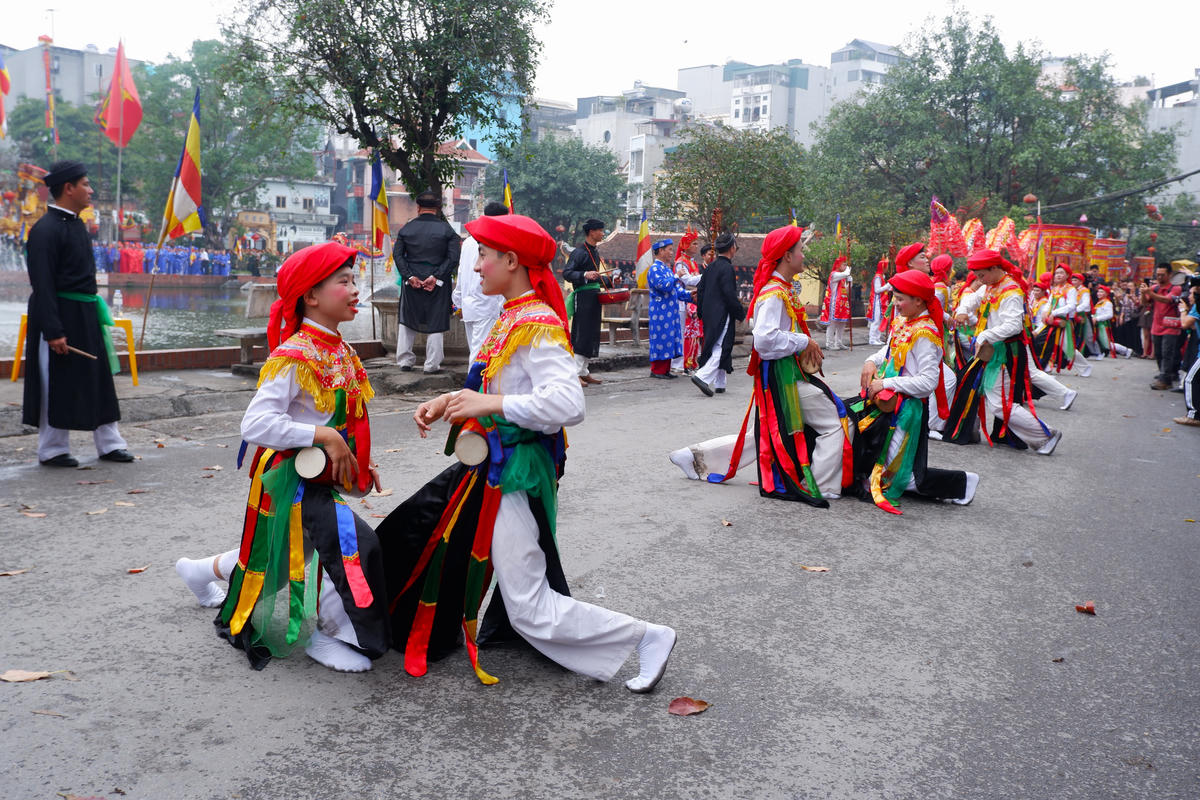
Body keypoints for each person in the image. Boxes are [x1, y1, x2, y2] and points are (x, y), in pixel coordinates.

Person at [376, 213, 677, 693]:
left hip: (513, 469)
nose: (475, 268)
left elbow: (567, 404)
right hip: (496, 464)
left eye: (484, 256)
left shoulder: (535, 323)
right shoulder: (512, 315)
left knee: (528, 602)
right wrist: (447, 401)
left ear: (512, 261)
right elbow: (491, 386)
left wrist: (489, 403)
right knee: (435, 546)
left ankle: (645, 636)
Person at [175, 242, 391, 672]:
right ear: (311, 295)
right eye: (343, 282)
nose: (354, 290)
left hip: (319, 474)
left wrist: (354, 456)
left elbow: (345, 419)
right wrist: (322, 434)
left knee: (277, 561)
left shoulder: (340, 350)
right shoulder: (294, 355)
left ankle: (198, 571)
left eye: (354, 281)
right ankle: (333, 635)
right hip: (290, 476)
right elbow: (254, 426)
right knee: (350, 543)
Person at [674, 226, 851, 503]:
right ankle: (822, 482)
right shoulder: (773, 293)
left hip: (785, 373)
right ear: (787, 256)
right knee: (836, 421)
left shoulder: (780, 288)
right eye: (800, 250)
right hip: (782, 376)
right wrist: (803, 341)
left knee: (767, 435)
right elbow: (765, 340)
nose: (804, 255)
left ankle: (695, 457)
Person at [22, 160, 133, 468]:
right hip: (59, 313)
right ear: (68, 188)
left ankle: (110, 443)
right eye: (85, 184)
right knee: (54, 381)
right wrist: (54, 330)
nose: (91, 190)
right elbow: (42, 284)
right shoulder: (44, 231)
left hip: (86, 312)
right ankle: (53, 448)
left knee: (98, 377)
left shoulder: (77, 225)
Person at [854, 269, 978, 513]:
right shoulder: (902, 322)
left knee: (900, 477)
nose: (895, 304)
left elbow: (928, 382)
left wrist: (887, 384)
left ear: (919, 301)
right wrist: (871, 361)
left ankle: (962, 484)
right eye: (895, 298)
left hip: (907, 411)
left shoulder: (926, 334)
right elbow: (886, 353)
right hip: (884, 402)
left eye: (900, 299)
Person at [947, 249, 1061, 455]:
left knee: (1000, 404)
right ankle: (1039, 435)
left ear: (995, 268)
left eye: (982, 275)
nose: (979, 280)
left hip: (1003, 352)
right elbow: (972, 299)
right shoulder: (992, 285)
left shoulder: (1011, 292)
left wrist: (985, 335)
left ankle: (1045, 435)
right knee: (994, 399)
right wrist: (963, 310)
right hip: (992, 349)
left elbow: (1014, 326)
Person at [393, 191, 461, 374]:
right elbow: (453, 257)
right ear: (438, 209)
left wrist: (409, 276)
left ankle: (405, 361)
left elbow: (397, 256)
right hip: (437, 283)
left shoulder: (406, 230)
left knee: (407, 320)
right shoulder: (448, 232)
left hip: (412, 281)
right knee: (436, 321)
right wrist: (436, 276)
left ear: (418, 208)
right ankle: (431, 365)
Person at [691, 232, 746, 396]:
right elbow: (729, 294)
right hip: (722, 313)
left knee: (715, 344)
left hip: (708, 313)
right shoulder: (727, 268)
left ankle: (720, 382)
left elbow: (700, 290)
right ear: (732, 248)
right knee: (723, 346)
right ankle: (703, 376)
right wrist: (739, 312)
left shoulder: (711, 267)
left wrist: (701, 311)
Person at [453, 202, 508, 363]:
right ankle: (475, 387)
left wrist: (458, 300)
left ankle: (479, 385)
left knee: (477, 350)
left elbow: (461, 272)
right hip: (487, 304)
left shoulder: (470, 241)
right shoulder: (493, 241)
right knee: (481, 355)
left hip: (470, 303)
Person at [563, 218, 607, 386]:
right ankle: (574, 374)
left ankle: (584, 371)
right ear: (591, 232)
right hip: (583, 297)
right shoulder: (579, 252)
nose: (603, 233)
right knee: (582, 333)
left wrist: (610, 280)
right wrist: (583, 275)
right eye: (600, 231)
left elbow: (596, 278)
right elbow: (568, 273)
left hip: (594, 295)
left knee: (592, 333)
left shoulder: (594, 252)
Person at [646, 238, 690, 379]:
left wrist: (691, 296)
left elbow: (676, 290)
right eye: (669, 249)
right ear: (660, 251)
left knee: (669, 337)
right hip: (659, 311)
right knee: (661, 338)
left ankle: (665, 369)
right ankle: (657, 370)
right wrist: (677, 275)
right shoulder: (654, 269)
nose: (672, 252)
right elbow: (664, 286)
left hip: (670, 311)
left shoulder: (666, 269)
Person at [1146, 263, 1183, 390]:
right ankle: (1165, 375)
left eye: (1162, 275)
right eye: (1158, 275)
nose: (1160, 277)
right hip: (1156, 325)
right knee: (1159, 353)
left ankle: (1165, 379)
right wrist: (1143, 293)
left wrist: (1149, 293)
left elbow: (1166, 300)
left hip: (1171, 325)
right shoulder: (1154, 288)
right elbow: (1144, 303)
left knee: (1167, 353)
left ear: (1169, 275)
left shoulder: (1175, 288)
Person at [673, 229, 703, 372]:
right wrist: (705, 276)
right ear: (686, 245)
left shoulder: (692, 262)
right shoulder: (681, 263)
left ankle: (690, 361)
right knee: (681, 332)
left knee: (691, 333)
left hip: (691, 300)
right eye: (694, 244)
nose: (697, 246)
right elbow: (687, 280)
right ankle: (678, 363)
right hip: (682, 300)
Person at [1174, 284, 1200, 427]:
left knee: (1190, 379)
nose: (1189, 296)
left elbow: (1185, 324)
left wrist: (1183, 310)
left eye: (1191, 293)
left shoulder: (1197, 307)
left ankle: (1193, 415)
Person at [819, 255, 852, 350]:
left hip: (842, 304)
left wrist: (850, 282)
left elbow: (846, 290)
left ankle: (839, 342)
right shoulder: (834, 275)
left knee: (841, 324)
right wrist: (848, 272)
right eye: (844, 264)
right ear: (838, 265)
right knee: (832, 324)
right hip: (834, 304)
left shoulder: (841, 278)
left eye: (846, 265)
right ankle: (829, 343)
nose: (845, 266)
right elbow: (846, 273)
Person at [1092, 284, 1133, 358]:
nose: (1099, 293)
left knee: (1107, 342)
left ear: (1106, 293)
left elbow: (1110, 315)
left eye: (1101, 292)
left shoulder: (1107, 303)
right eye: (1098, 292)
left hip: (1103, 325)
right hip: (1098, 324)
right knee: (1101, 341)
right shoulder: (1099, 302)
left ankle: (1126, 350)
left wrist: (1097, 318)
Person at [867, 256, 891, 346]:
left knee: (880, 320)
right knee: (876, 321)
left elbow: (883, 290)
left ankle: (877, 338)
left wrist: (889, 287)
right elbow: (877, 290)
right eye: (886, 266)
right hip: (876, 302)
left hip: (881, 302)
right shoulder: (877, 277)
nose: (887, 269)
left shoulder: (881, 277)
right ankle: (872, 338)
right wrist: (888, 285)